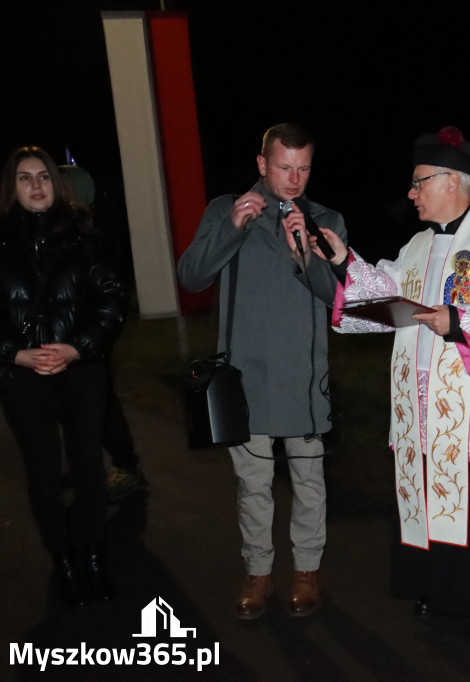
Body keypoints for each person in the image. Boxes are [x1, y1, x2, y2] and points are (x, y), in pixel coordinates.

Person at [305, 126, 470, 633]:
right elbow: (382, 296)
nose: (410, 194)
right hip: (422, 405)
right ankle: (436, 585)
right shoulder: (415, 246)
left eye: (419, 182)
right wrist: (344, 260)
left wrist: (456, 321)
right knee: (430, 497)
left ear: (452, 181)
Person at [177, 123, 347, 620]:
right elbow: (191, 276)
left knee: (309, 479)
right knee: (253, 483)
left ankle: (307, 569)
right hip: (245, 377)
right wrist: (231, 227)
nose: (294, 179)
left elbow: (337, 297)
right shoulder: (225, 209)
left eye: (303, 168)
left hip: (304, 375)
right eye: (283, 167)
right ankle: (258, 571)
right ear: (261, 164)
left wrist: (304, 253)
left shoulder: (325, 218)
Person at [0, 146, 128, 611]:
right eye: (24, 178)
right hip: (23, 376)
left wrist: (75, 348)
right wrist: (18, 355)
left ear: (57, 184)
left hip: (81, 372)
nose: (36, 186)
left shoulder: (83, 234)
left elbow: (111, 300)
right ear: (11, 188)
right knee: (44, 474)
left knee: (89, 468)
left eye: (44, 177)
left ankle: (94, 557)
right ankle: (66, 562)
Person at [59, 163, 147, 502]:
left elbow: (110, 286)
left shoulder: (96, 227)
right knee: (70, 401)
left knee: (101, 400)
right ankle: (87, 467)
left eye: (61, 184)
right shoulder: (64, 226)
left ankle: (127, 467)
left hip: (92, 331)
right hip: (69, 329)